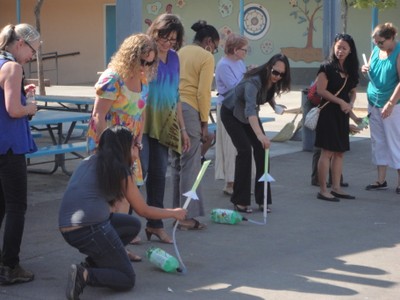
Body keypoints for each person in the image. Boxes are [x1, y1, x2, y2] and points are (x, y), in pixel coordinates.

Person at [59, 125, 186, 299]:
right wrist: (173, 212)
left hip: (68, 228)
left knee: (131, 225)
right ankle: (85, 275)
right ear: (125, 147)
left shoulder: (89, 161)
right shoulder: (120, 170)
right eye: (136, 145)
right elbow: (143, 210)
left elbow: (114, 207)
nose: (138, 149)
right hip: (89, 229)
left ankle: (94, 263)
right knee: (126, 278)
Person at [87, 33, 158, 191]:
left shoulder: (143, 80)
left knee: (131, 195)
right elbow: (98, 115)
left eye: (149, 63)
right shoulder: (113, 79)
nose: (144, 67)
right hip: (110, 145)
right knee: (114, 197)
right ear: (130, 56)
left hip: (130, 146)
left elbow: (141, 111)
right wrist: (108, 149)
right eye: (141, 61)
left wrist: (138, 141)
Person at [220, 54, 291, 213]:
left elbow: (265, 94)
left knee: (262, 150)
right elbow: (250, 110)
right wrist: (260, 135)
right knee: (245, 150)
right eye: (275, 72)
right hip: (232, 113)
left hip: (247, 115)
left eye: (281, 74)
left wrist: (275, 106)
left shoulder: (272, 81)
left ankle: (263, 199)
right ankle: (240, 201)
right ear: (268, 67)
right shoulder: (253, 82)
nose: (277, 76)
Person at [141, 13, 190, 244]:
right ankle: (125, 227)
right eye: (164, 37)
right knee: (135, 176)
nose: (167, 43)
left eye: (172, 39)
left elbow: (176, 95)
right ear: (155, 32)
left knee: (159, 176)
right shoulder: (145, 54)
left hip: (164, 125)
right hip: (140, 125)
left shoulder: (175, 58)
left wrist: (182, 129)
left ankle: (155, 225)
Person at [0, 23, 40, 284]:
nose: (32, 57)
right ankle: (9, 266)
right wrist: (31, 107)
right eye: (33, 51)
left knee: (1, 205)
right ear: (21, 43)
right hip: (10, 146)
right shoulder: (13, 67)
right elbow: (13, 109)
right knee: (16, 207)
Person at [171, 20, 219, 230]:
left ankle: (176, 212)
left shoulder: (178, 52)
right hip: (190, 109)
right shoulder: (206, 57)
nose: (214, 51)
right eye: (215, 47)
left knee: (177, 163)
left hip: (171, 108)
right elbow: (203, 93)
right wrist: (204, 123)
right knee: (191, 162)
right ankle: (186, 216)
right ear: (208, 42)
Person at [315, 33, 360, 202]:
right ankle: (323, 190)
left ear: (350, 51)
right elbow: (321, 91)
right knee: (327, 152)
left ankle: (336, 187)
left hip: (342, 115)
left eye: (344, 48)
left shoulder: (350, 69)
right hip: (328, 113)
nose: (340, 51)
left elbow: (352, 92)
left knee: (340, 152)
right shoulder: (326, 67)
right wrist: (341, 101)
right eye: (338, 47)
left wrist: (352, 110)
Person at [362, 23, 400, 194]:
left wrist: (391, 103)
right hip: (374, 101)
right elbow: (371, 70)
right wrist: (365, 69)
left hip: (392, 104)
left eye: (381, 42)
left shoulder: (398, 53)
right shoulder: (376, 50)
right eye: (376, 42)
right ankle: (380, 179)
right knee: (378, 141)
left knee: (395, 142)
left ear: (391, 38)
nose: (377, 45)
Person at [214, 33, 248, 196]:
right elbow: (234, 87)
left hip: (240, 107)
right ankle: (230, 182)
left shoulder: (240, 62)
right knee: (229, 145)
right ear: (235, 50)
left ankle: (241, 180)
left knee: (241, 145)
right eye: (244, 50)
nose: (245, 53)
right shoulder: (223, 65)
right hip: (228, 107)